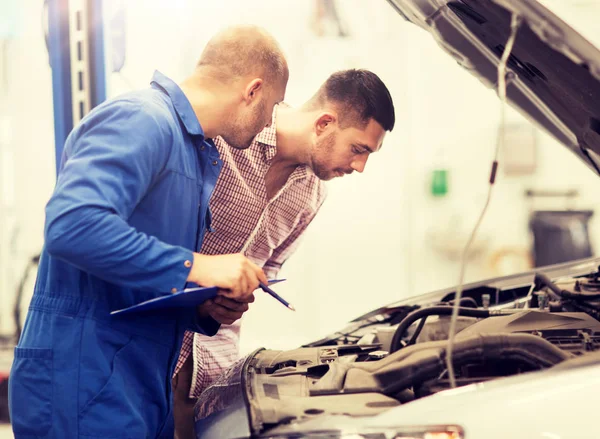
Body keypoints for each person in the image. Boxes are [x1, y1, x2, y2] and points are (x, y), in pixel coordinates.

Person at [8, 25, 288, 439]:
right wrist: (199, 267)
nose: (270, 122)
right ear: (252, 90)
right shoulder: (141, 119)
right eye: (273, 106)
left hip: (134, 386)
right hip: (83, 384)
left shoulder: (194, 154)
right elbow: (71, 225)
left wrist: (201, 309)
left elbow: (133, 274)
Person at [172, 69, 396, 438]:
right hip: (150, 353)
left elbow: (268, 269)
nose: (359, 167)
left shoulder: (312, 194)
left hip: (212, 371)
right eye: (358, 149)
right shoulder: (228, 138)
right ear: (324, 123)